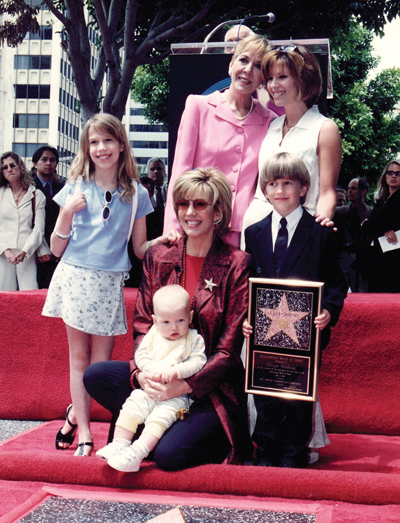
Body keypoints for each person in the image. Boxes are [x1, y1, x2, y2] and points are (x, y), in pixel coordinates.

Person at [84, 167, 254, 470]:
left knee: (167, 457)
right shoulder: (159, 256)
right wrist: (142, 376)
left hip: (208, 388)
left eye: (200, 204)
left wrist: (185, 385)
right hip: (159, 379)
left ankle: (179, 433)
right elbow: (142, 327)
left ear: (218, 212)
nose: (189, 212)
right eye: (182, 204)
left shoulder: (237, 264)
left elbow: (228, 351)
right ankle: (153, 422)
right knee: (96, 375)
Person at [42, 113, 175, 457]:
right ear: (87, 148)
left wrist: (169, 240)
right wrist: (68, 212)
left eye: (108, 140)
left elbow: (141, 249)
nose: (101, 148)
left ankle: (75, 413)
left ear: (120, 145)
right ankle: (85, 431)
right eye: (94, 142)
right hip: (74, 277)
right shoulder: (74, 187)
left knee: (100, 366)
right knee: (78, 359)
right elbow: (56, 249)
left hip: (109, 283)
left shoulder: (137, 193)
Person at [243, 152, 346, 468]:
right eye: (272, 183)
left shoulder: (322, 233)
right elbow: (247, 283)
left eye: (288, 182)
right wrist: (246, 318)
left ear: (304, 188)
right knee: (265, 395)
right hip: (265, 335)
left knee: (298, 398)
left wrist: (328, 311)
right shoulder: (254, 233)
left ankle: (293, 453)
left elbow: (336, 284)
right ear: (264, 189)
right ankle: (267, 450)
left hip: (304, 336)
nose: (280, 190)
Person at [163, 34, 277, 248]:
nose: (248, 70)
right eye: (243, 60)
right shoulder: (198, 106)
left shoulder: (270, 121)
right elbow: (180, 171)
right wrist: (173, 228)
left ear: (263, 79)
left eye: (258, 66)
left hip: (245, 234)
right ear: (230, 65)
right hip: (198, 227)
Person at [96, 284, 207, 472]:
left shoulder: (194, 338)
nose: (174, 327)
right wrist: (148, 370)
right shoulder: (153, 335)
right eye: (166, 322)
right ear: (155, 321)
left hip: (176, 396)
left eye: (180, 320)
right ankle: (119, 443)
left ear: (190, 316)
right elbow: (141, 355)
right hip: (149, 387)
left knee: (159, 418)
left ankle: (138, 452)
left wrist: (178, 371)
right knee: (132, 405)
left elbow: (199, 361)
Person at [241, 44, 342, 242]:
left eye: (282, 77)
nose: (273, 85)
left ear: (303, 79)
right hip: (257, 230)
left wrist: (315, 235)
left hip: (299, 231)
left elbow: (327, 193)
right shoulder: (272, 125)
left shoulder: (325, 128)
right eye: (270, 78)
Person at [0, 151, 47, 291]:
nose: (9, 169)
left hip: (27, 254)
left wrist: (25, 252)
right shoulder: (0, 194)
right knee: (4, 297)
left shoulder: (37, 195)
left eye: (12, 165)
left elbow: (39, 229)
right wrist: (6, 251)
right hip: (3, 253)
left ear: (20, 167)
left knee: (29, 294)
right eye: (5, 167)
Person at [359, 160, 400, 293]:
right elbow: (368, 227)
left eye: (398, 173)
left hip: (394, 258)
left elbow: (371, 224)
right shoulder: (382, 199)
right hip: (377, 256)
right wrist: (383, 228)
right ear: (385, 176)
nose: (394, 176)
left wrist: (373, 225)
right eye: (390, 172)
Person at [32, 145, 66, 288]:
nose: (48, 163)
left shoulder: (63, 187)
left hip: (59, 242)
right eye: (44, 159)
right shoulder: (28, 186)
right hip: (35, 245)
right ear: (35, 163)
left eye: (52, 160)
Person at [335, 177, 372, 292]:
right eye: (349, 188)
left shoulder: (372, 213)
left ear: (364, 191)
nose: (350, 191)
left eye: (354, 188)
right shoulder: (339, 212)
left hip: (363, 262)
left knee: (362, 294)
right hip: (342, 260)